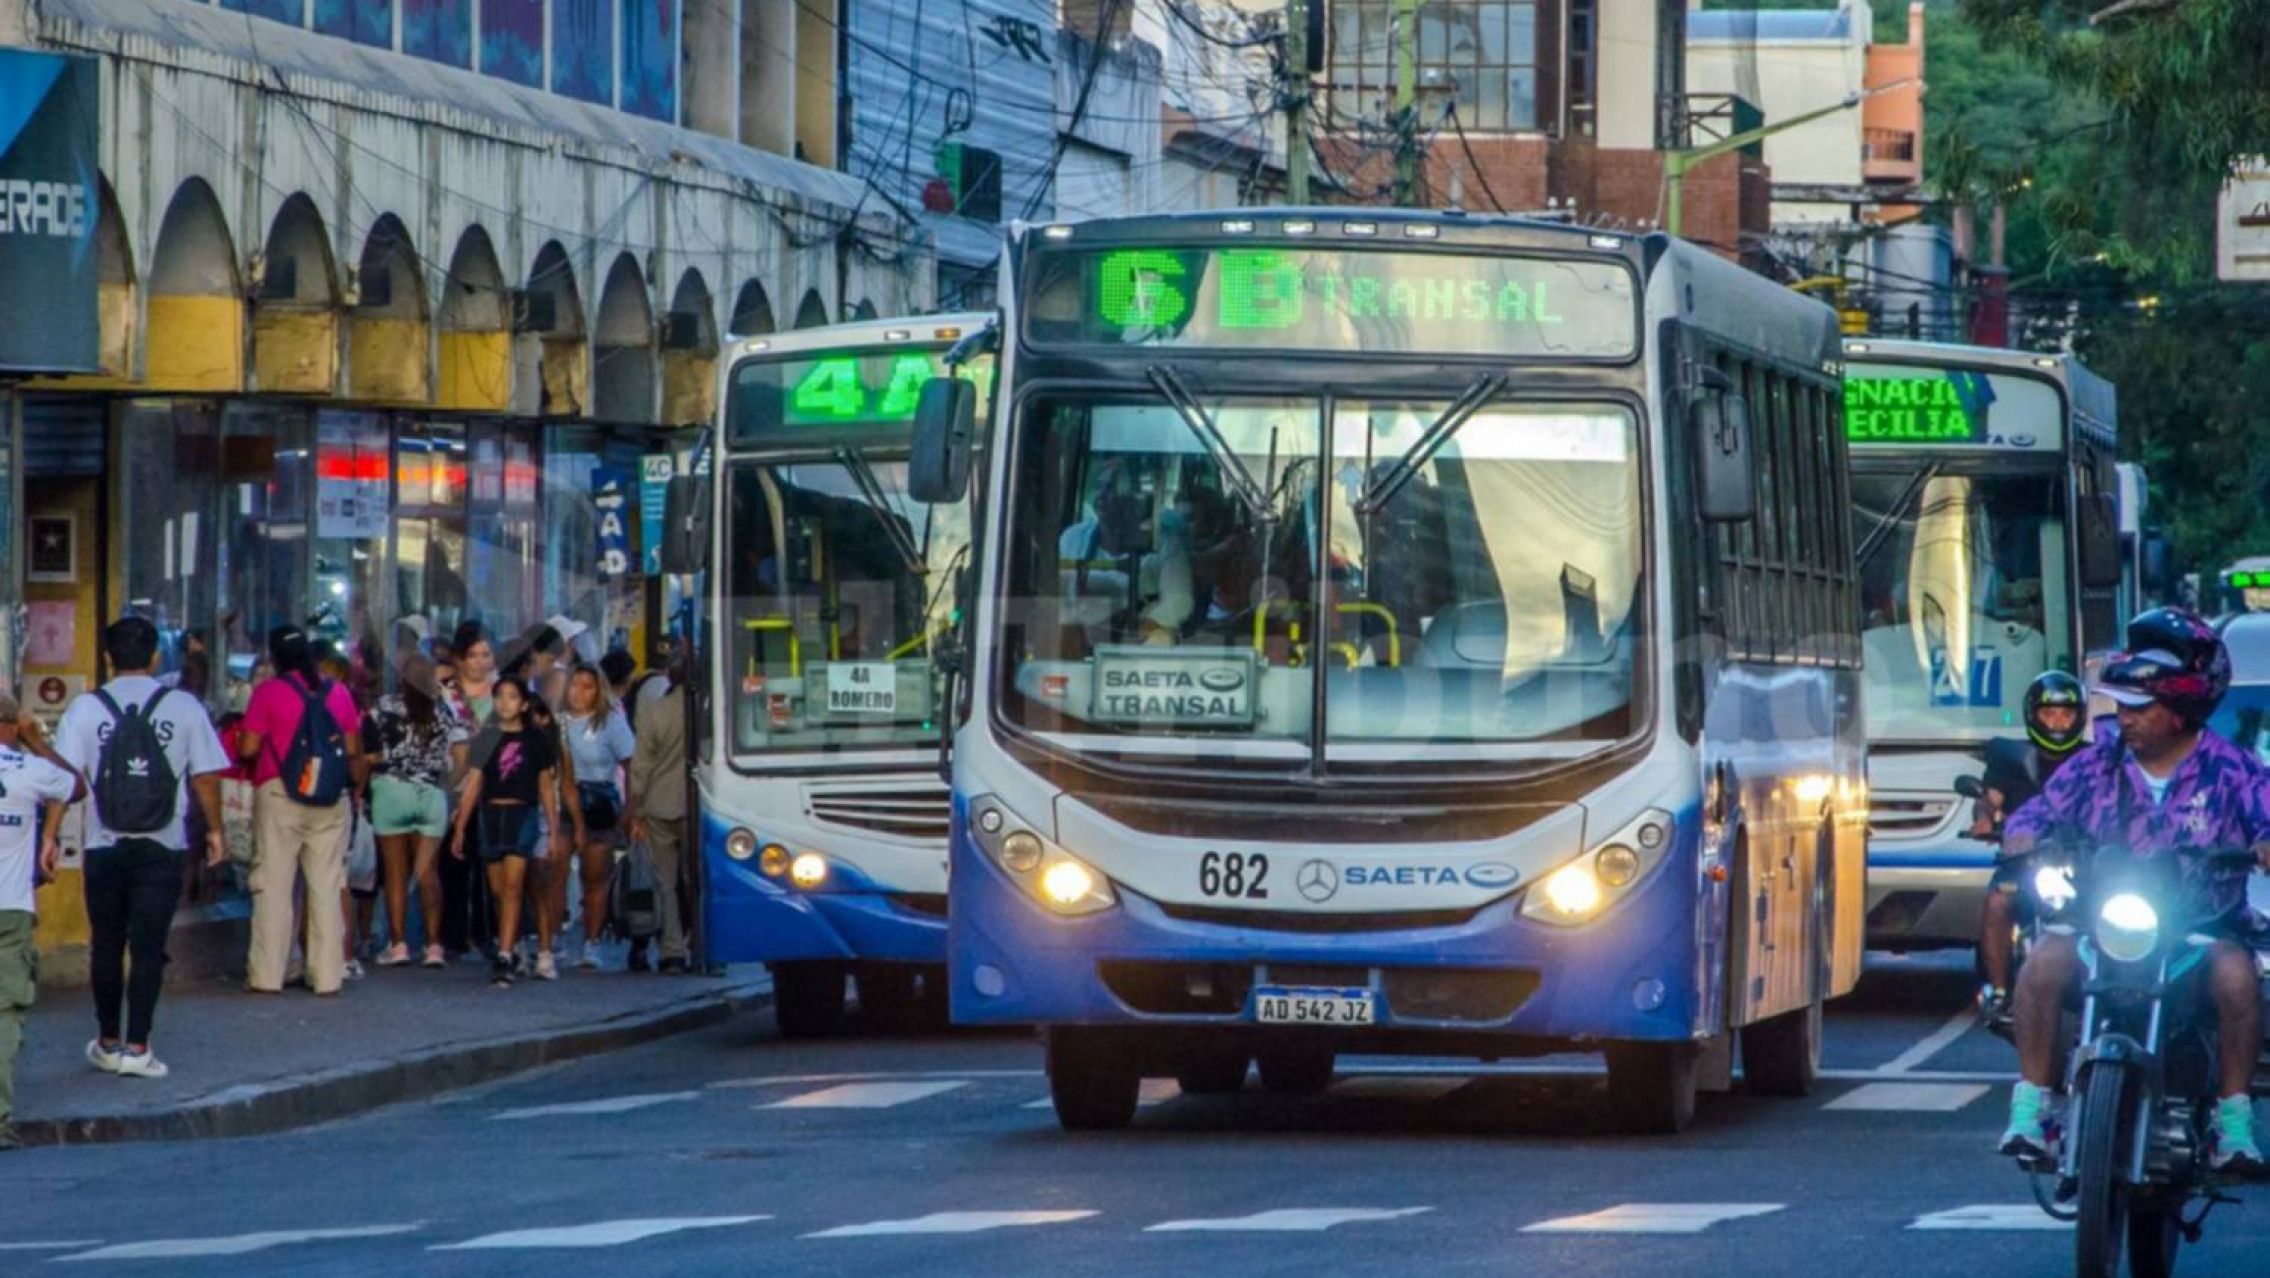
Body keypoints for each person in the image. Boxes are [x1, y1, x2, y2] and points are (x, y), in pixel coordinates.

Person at [1998, 608, 2270, 1173]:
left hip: (2199, 933)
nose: (2125, 719)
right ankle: (2033, 1112)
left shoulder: (2236, 770)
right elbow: (2037, 814)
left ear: (2179, 711)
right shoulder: (2095, 765)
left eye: (2140, 708)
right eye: (2121, 706)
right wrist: (2021, 834)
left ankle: (2233, 1121)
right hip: (2103, 927)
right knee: (2044, 961)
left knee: (2239, 975)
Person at [55, 617, 232, 1079]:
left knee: (106, 944)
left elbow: (65, 780)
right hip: (163, 843)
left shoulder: (86, 709)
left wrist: (50, 836)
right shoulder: (184, 706)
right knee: (150, 947)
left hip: (102, 843)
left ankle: (108, 1040)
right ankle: (139, 1046)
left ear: (109, 657)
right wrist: (215, 831)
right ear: (155, 656)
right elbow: (206, 777)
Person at [237, 627, 366, 996]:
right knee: (326, 887)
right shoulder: (338, 692)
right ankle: (328, 976)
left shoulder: (268, 693)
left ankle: (267, 975)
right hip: (328, 796)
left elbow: (248, 747)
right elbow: (353, 746)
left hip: (279, 793)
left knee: (274, 886)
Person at [1972, 670, 2089, 1017]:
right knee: (1997, 902)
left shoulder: (2093, 760)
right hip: (2023, 861)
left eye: (2066, 713)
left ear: (2079, 717)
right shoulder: (2011, 758)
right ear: (2033, 716)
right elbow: (1989, 799)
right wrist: (1984, 819)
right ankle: (2000, 990)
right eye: (2049, 713)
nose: (2057, 721)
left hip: (2080, 860)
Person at [0, 694, 86, 1150]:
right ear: (13, 726)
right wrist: (35, 740)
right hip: (10, 908)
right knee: (4, 1014)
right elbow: (73, 785)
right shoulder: (31, 770)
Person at [450, 677, 568, 987]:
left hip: (522, 813)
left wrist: (553, 831)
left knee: (515, 885)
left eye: (512, 697)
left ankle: (504, 955)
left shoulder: (537, 741)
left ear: (524, 704)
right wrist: (461, 824)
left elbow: (545, 788)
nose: (505, 703)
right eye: (499, 696)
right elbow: (474, 782)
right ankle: (511, 942)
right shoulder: (486, 739)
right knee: (499, 890)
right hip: (490, 813)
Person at [364, 653, 470, 968]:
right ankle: (434, 946)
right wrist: (446, 785)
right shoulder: (445, 709)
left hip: (391, 790)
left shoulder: (382, 708)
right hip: (430, 793)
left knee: (396, 875)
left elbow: (368, 750)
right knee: (429, 874)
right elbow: (463, 756)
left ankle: (398, 945)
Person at [560, 666, 635, 969]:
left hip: (599, 800)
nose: (579, 693)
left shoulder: (611, 724)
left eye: (587, 687)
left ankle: (592, 942)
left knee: (594, 877)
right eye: (574, 685)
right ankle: (552, 940)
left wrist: (631, 809)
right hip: (563, 801)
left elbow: (632, 767)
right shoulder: (557, 723)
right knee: (554, 873)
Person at [626, 652, 691, 973]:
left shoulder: (655, 713)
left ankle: (672, 950)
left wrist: (636, 808)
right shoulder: (709, 713)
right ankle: (706, 947)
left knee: (665, 881)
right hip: (700, 806)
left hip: (659, 804)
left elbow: (641, 766)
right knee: (699, 879)